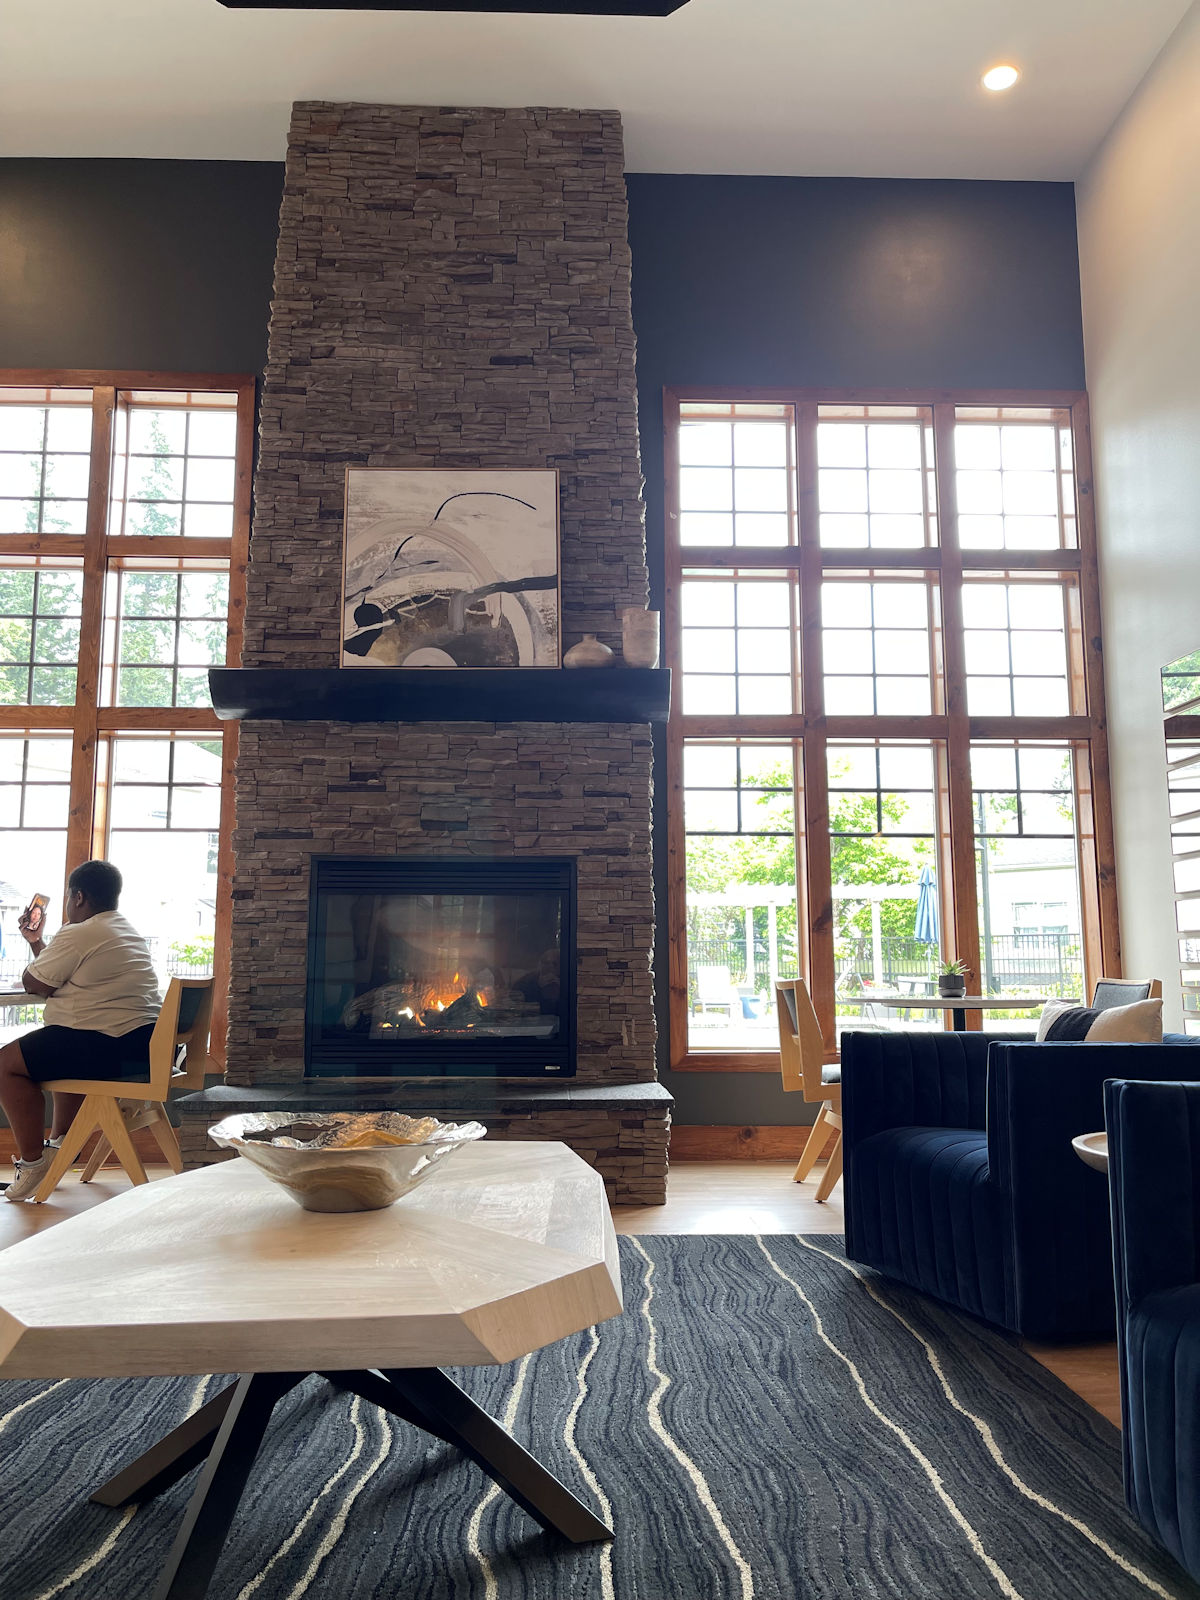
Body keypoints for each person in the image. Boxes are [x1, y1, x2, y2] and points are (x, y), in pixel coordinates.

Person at [0, 860, 161, 1202]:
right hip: (142, 1047)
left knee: (4, 1064)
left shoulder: (80, 932)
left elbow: (35, 982)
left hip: (107, 1045)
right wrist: (37, 942)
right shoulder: (125, 930)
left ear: (78, 897)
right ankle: (59, 1147)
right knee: (58, 1044)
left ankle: (33, 1163)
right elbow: (57, 975)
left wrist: (37, 955)